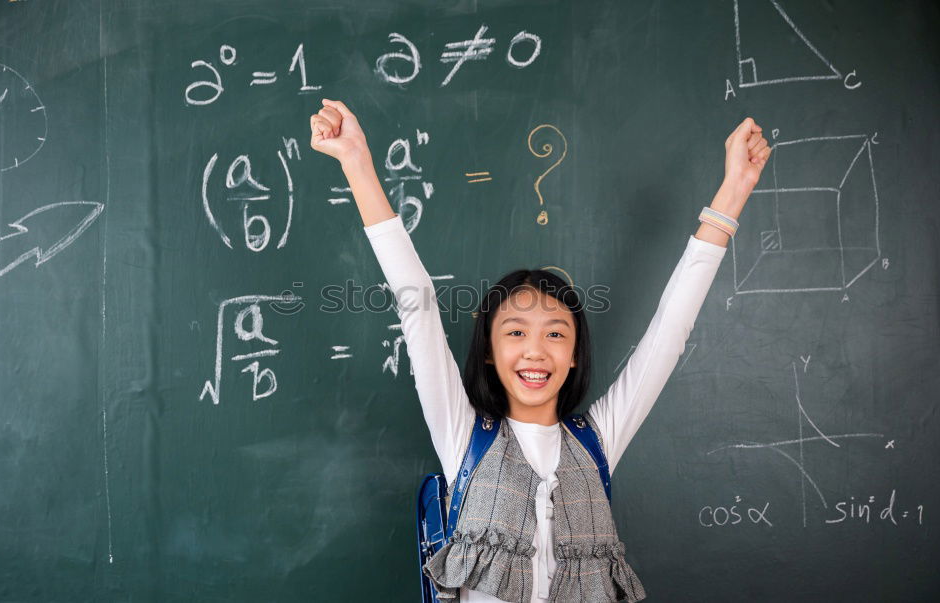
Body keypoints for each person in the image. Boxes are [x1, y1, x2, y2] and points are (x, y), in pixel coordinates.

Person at [310, 99, 770, 602]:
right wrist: (356, 163)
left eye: (555, 333)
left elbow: (670, 330)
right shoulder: (464, 438)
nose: (535, 351)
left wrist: (734, 191)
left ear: (574, 354)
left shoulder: (597, 442)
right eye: (515, 333)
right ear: (488, 351)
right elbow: (414, 306)